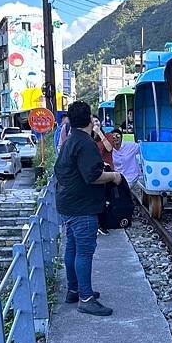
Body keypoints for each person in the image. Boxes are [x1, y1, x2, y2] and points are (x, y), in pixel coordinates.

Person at [55, 101, 122, 316]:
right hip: (82, 206)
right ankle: (86, 298)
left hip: (66, 203)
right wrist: (114, 176)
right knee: (84, 252)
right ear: (88, 119)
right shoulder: (85, 143)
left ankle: (74, 290)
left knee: (72, 248)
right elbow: (93, 176)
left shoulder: (68, 141)